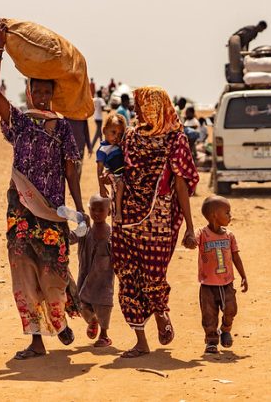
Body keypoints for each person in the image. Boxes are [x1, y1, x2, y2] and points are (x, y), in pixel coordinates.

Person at [0, 22, 86, 359]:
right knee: (23, 275)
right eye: (37, 92)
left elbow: (71, 172)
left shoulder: (63, 129)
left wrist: (78, 209)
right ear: (29, 93)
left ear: (51, 95)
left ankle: (59, 320)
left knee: (52, 273)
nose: (41, 97)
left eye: (46, 92)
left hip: (52, 212)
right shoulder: (20, 122)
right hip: (20, 211)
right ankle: (36, 341)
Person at [109, 86, 199, 358]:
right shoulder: (131, 137)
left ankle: (161, 311)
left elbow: (181, 184)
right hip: (125, 219)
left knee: (154, 275)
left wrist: (191, 227)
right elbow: (119, 170)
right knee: (127, 276)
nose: (137, 111)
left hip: (157, 218)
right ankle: (140, 340)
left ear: (156, 107)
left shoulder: (175, 140)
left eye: (142, 106)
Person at [192, 196, 248, 354]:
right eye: (227, 212)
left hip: (227, 283)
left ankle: (225, 329)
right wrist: (189, 240)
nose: (231, 215)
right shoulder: (202, 233)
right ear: (214, 215)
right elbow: (192, 241)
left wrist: (243, 276)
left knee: (231, 309)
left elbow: (236, 257)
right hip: (208, 284)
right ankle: (211, 340)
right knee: (209, 315)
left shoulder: (229, 235)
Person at [71, 195, 114, 348]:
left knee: (104, 306)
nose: (96, 213)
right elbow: (72, 237)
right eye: (93, 209)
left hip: (103, 280)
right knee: (81, 303)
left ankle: (104, 335)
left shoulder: (111, 235)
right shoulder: (86, 231)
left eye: (101, 210)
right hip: (85, 276)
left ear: (109, 212)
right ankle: (91, 321)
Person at [96, 114, 126, 222]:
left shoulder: (119, 145)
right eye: (113, 132)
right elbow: (99, 169)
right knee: (120, 185)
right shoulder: (102, 150)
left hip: (121, 172)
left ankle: (109, 208)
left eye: (119, 134)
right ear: (104, 131)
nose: (116, 137)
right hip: (115, 174)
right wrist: (101, 186)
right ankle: (118, 212)